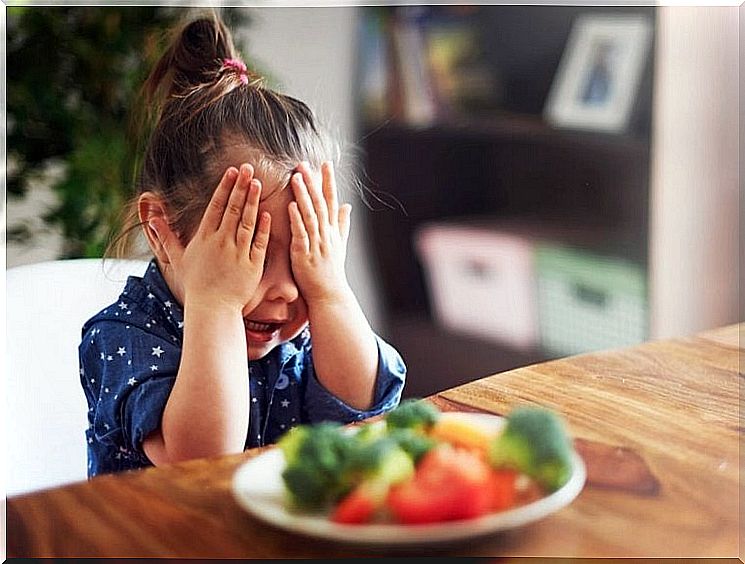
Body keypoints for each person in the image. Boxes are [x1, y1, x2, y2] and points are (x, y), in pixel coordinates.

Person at [79, 13, 406, 477]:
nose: (286, 290)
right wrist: (216, 301)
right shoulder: (122, 337)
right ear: (162, 230)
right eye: (249, 252)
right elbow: (202, 461)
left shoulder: (304, 319)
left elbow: (364, 407)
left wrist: (330, 289)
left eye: (301, 256)